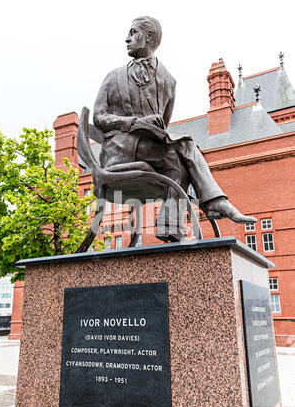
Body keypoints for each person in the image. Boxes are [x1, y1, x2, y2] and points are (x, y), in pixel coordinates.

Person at [93, 16, 256, 242]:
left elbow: (164, 127)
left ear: (149, 37)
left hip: (151, 152)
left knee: (176, 164)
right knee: (185, 146)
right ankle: (214, 201)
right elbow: (98, 117)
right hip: (118, 152)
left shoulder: (168, 81)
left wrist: (153, 128)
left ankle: (170, 226)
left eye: (133, 33)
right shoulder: (113, 77)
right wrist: (133, 123)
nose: (126, 38)